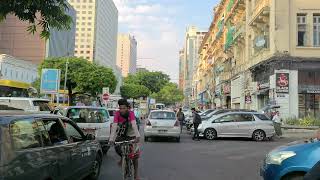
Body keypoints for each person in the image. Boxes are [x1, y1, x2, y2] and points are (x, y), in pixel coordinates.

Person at [109, 99, 141, 180]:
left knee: (135, 156)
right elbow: (114, 126)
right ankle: (122, 157)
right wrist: (111, 139)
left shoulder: (131, 113)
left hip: (132, 134)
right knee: (117, 147)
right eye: (120, 108)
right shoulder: (117, 114)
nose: (122, 110)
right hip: (122, 135)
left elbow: (134, 125)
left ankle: (136, 175)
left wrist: (137, 136)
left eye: (124, 108)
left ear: (127, 108)